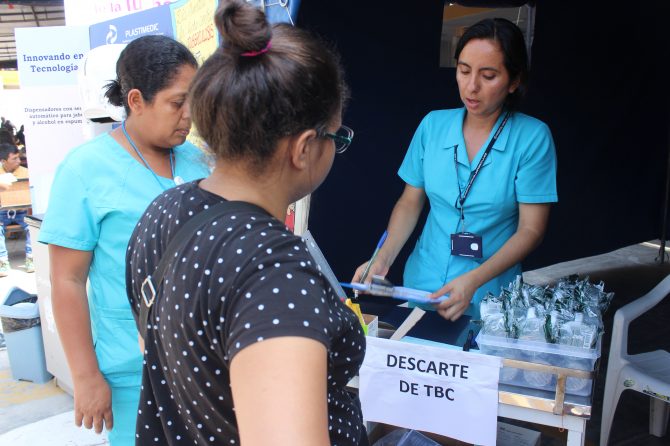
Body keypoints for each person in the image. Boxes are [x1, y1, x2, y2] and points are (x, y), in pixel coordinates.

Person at [126, 1, 366, 445]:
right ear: (304, 148)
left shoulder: (163, 213)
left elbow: (162, 356)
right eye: (337, 136)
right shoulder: (275, 271)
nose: (336, 149)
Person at [38, 35, 210, 445]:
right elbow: (67, 281)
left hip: (202, 365)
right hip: (132, 368)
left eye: (194, 102)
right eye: (177, 102)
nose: (189, 116)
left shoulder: (200, 162)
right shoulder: (85, 171)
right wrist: (85, 376)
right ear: (135, 100)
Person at [353, 18, 557, 322]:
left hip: (489, 293)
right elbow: (410, 201)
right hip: (423, 283)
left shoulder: (533, 138)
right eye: (464, 71)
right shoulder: (432, 126)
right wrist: (383, 257)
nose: (471, 86)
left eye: (488, 76)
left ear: (514, 81)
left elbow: (531, 230)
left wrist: (474, 281)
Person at [0, 143, 32, 276]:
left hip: (22, 211)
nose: (19, 161)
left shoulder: (25, 172)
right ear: (3, 161)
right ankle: (3, 261)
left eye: (19, 158)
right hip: (2, 211)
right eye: (14, 159)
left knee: (32, 225)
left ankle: (30, 257)